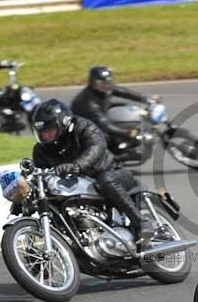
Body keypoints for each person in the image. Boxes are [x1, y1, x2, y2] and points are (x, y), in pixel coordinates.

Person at [30, 99, 155, 241]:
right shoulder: (41, 150)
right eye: (42, 133)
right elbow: (40, 175)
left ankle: (141, 223)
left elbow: (96, 148)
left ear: (63, 122)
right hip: (79, 185)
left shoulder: (83, 127)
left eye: (50, 131)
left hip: (112, 173)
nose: (46, 136)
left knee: (105, 180)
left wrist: (77, 165)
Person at [71, 66, 153, 151]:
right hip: (85, 127)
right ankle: (110, 159)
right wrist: (126, 133)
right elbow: (105, 125)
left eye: (108, 82)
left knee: (125, 107)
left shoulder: (105, 89)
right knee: (105, 139)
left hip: (101, 113)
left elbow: (124, 92)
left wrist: (145, 99)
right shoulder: (89, 102)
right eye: (101, 83)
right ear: (93, 83)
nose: (105, 86)